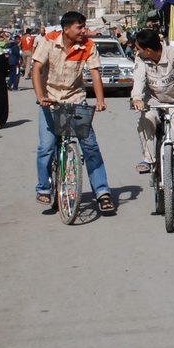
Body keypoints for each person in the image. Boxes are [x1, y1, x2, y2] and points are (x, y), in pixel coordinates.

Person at [31, 11, 115, 213]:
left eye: (84, 26)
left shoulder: (88, 45)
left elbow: (95, 74)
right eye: (79, 27)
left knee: (90, 146)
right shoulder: (49, 41)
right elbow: (36, 69)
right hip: (50, 101)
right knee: (46, 147)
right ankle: (44, 188)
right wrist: (40, 95)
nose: (83, 31)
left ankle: (102, 192)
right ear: (66, 29)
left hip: (75, 99)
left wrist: (100, 101)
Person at [130, 29, 174, 209]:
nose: (136, 51)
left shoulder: (173, 54)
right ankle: (149, 158)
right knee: (146, 118)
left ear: (148, 50)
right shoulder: (141, 59)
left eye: (138, 48)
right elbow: (138, 79)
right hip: (152, 100)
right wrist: (137, 98)